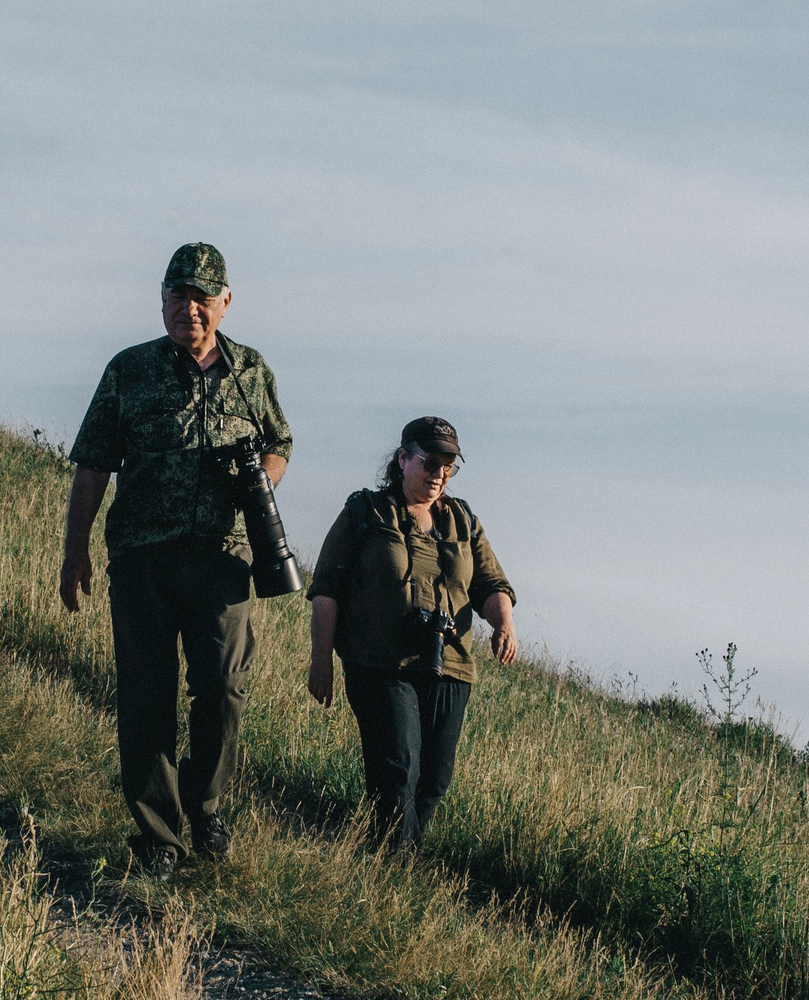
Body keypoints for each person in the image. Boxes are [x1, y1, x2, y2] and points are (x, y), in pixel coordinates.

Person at [62, 243, 294, 875]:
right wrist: (75, 548)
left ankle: (205, 803)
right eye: (177, 296)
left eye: (201, 297)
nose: (188, 308)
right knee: (146, 695)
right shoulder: (128, 370)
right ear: (161, 299)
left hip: (223, 558)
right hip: (142, 557)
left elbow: (279, 442)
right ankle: (159, 837)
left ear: (225, 302)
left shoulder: (251, 371)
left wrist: (260, 480)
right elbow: (93, 463)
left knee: (223, 688)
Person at [306, 417, 518, 851]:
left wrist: (504, 624)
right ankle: (395, 862)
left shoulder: (463, 520)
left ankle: (391, 853)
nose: (439, 474)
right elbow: (327, 590)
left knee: (435, 777)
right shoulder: (366, 512)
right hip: (380, 661)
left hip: (450, 664)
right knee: (398, 765)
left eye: (448, 466)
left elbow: (492, 585)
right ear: (403, 459)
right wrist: (321, 660)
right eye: (430, 462)